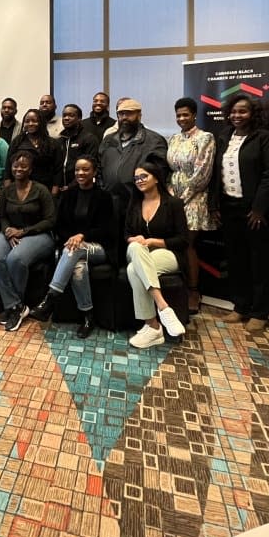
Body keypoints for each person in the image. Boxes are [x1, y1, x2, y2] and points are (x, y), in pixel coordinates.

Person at [210, 93, 269, 332]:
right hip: (229, 208)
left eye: (243, 111)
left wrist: (259, 208)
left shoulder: (263, 137)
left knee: (259, 262)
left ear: (253, 114)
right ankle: (240, 307)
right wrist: (214, 205)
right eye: (233, 111)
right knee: (236, 261)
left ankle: (260, 312)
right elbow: (215, 174)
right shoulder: (224, 137)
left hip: (255, 211)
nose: (237, 116)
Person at [28, 154, 116, 339]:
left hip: (99, 247)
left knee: (73, 250)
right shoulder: (68, 194)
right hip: (72, 247)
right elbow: (59, 225)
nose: (80, 173)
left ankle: (50, 299)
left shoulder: (104, 196)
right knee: (78, 267)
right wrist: (72, 238)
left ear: (94, 172)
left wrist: (82, 236)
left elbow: (107, 228)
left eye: (85, 169)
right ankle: (87, 317)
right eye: (77, 169)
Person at [0, 150, 57, 332]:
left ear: (31, 169)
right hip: (11, 233)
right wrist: (8, 232)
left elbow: (50, 220)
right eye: (16, 165)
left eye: (24, 166)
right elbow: (1, 216)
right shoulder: (7, 190)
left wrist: (23, 232)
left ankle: (13, 308)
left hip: (39, 235)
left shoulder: (41, 190)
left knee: (15, 258)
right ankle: (16, 306)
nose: (19, 169)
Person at [124, 157, 189, 348]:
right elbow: (126, 233)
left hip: (167, 252)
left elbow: (183, 240)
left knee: (131, 270)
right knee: (135, 248)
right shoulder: (134, 204)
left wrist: (154, 241)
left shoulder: (174, 204)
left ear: (157, 178)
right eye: (136, 179)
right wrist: (133, 240)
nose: (140, 181)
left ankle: (152, 327)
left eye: (144, 176)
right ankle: (164, 307)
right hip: (138, 251)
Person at [166, 97, 219, 313]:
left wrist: (181, 199)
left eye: (185, 114)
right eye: (178, 115)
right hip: (174, 197)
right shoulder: (173, 139)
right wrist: (170, 195)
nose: (181, 119)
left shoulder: (206, 138)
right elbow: (170, 171)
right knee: (173, 243)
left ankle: (193, 291)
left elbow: (202, 174)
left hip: (194, 198)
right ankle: (176, 289)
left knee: (187, 243)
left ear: (194, 115)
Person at [99, 97, 167, 220]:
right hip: (110, 204)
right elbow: (99, 168)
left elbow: (160, 173)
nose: (124, 117)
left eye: (129, 113)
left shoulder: (154, 141)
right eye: (121, 114)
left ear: (139, 115)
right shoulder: (108, 140)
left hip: (139, 204)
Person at [5, 108, 60, 192]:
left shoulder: (52, 143)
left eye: (34, 121)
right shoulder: (17, 141)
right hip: (20, 187)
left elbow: (57, 169)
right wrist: (7, 190)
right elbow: (8, 166)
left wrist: (54, 192)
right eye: (27, 121)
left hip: (45, 188)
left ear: (41, 123)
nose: (30, 124)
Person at [57, 103, 101, 191]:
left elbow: (92, 166)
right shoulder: (60, 140)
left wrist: (71, 186)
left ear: (79, 118)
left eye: (71, 115)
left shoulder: (89, 139)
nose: (66, 118)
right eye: (64, 115)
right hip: (61, 190)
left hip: (82, 188)